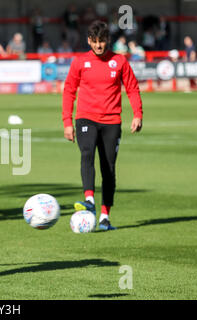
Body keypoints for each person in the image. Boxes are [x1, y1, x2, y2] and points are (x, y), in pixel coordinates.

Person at [62, 20, 143, 231]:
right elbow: (69, 91)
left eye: (102, 41)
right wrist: (67, 122)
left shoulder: (120, 61)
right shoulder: (80, 62)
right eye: (95, 42)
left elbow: (132, 89)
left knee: (108, 168)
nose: (99, 46)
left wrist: (137, 115)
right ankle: (89, 199)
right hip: (86, 118)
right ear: (89, 40)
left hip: (112, 121)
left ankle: (105, 216)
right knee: (87, 154)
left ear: (108, 40)